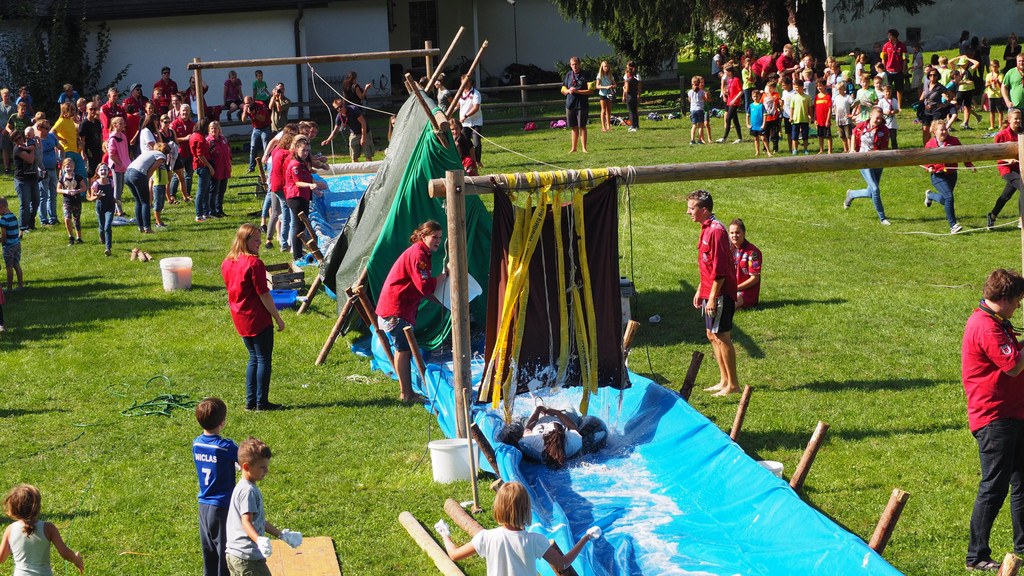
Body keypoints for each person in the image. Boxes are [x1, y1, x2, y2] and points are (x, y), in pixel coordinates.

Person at [962, 268, 1024, 572]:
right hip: (995, 418)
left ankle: (1022, 546)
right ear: (1005, 298)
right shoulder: (986, 326)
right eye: (1018, 300)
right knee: (994, 487)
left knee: (1021, 483)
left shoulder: (995, 321)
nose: (1019, 306)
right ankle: (976, 556)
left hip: (1014, 414)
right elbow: (1012, 366)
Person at [440, 481, 595, 575]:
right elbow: (563, 563)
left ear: (498, 508)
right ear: (527, 509)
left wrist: (444, 534)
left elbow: (454, 555)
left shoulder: (485, 537)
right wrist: (585, 538)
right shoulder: (536, 540)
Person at [375, 221, 450, 403]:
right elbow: (425, 287)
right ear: (423, 236)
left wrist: (444, 303)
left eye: (440, 237)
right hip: (396, 309)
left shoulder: (421, 253)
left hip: (398, 307)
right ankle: (407, 394)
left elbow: (422, 290)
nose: (438, 241)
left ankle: (407, 392)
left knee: (403, 349)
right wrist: (443, 275)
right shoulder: (418, 255)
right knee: (403, 350)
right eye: (435, 237)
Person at [222, 224, 286, 411]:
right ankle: (261, 403)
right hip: (257, 317)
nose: (259, 243)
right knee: (263, 359)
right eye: (255, 240)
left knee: (254, 358)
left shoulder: (227, 262)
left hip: (239, 316)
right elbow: (264, 294)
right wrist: (277, 318)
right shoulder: (254, 264)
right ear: (245, 241)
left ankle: (251, 402)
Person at [686, 189, 739, 397]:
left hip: (720, 292)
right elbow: (706, 265)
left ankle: (733, 384)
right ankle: (723, 380)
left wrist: (712, 297)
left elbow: (720, 270)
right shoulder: (705, 228)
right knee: (711, 335)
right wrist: (701, 289)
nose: (688, 212)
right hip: (709, 290)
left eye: (692, 208)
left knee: (722, 335)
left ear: (704, 210)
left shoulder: (716, 231)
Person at [224, 437, 301, 576]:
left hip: (237, 556)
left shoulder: (244, 486)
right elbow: (246, 522)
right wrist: (258, 540)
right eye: (262, 467)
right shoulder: (248, 491)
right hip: (247, 559)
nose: (267, 471)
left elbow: (258, 521)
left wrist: (282, 535)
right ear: (246, 467)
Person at [193, 397, 239, 576]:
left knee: (209, 553)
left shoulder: (196, 443)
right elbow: (243, 459)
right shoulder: (226, 447)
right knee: (224, 554)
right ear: (222, 422)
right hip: (221, 507)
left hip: (203, 506)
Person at [0, 484, 84, 574]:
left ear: (13, 509)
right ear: (39, 507)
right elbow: (65, 553)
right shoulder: (48, 528)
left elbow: (1, 558)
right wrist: (77, 560)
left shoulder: (10, 529)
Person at [844, 107, 891, 225]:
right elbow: (854, 133)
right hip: (863, 161)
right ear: (871, 115)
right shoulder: (862, 126)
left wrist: (874, 153)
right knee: (875, 189)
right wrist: (852, 149)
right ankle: (882, 218)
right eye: (877, 118)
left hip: (878, 162)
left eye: (881, 118)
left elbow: (884, 149)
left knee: (871, 192)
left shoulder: (884, 130)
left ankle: (851, 194)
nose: (879, 120)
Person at [923, 121, 971, 234]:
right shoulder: (930, 144)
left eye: (945, 129)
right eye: (941, 130)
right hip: (938, 176)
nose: (944, 132)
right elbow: (925, 159)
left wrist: (968, 164)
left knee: (947, 199)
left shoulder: (953, 141)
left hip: (952, 174)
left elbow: (963, 153)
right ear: (935, 132)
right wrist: (929, 167)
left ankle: (930, 195)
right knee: (949, 197)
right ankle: (953, 225)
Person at [988, 109, 1024, 230]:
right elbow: (995, 154)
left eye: (1019, 118)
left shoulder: (1022, 133)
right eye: (1015, 118)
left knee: (1006, 196)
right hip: (1007, 169)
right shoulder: (1001, 135)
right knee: (1023, 187)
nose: (1018, 121)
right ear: (1009, 120)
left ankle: (992, 216)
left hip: (1020, 169)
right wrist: (1008, 160)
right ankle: (1021, 219)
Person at [125, 141, 168, 234]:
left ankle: (140, 227)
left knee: (138, 201)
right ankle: (147, 228)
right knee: (145, 202)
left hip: (127, 173)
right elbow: (151, 170)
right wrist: (146, 180)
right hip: (138, 175)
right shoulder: (161, 156)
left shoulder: (149, 152)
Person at [728, 219, 761, 310]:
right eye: (732, 233)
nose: (734, 235)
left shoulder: (753, 252)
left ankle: (744, 305)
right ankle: (740, 308)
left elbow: (755, 279)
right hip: (730, 289)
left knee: (726, 308)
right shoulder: (728, 249)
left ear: (744, 233)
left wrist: (736, 288)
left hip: (746, 291)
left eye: (737, 232)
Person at [562, 56, 592, 153]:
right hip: (570, 104)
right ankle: (574, 148)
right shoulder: (568, 75)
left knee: (582, 126)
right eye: (572, 64)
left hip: (582, 104)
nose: (574, 66)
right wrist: (568, 91)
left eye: (576, 64)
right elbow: (563, 89)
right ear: (570, 65)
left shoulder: (586, 74)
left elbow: (591, 90)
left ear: (579, 64)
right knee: (574, 126)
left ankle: (584, 148)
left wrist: (577, 91)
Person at [920, 68, 956, 145]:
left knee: (935, 130)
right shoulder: (926, 84)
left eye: (934, 75)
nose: (932, 77)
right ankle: (926, 147)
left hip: (936, 110)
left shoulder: (940, 87)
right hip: (926, 110)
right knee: (925, 130)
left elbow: (951, 95)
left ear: (937, 76)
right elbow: (924, 93)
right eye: (930, 75)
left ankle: (937, 146)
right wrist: (920, 101)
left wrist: (946, 104)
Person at [11, 129, 37, 232]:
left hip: (33, 178)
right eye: (16, 140)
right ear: (14, 142)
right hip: (22, 180)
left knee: (36, 202)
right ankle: (23, 226)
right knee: (25, 204)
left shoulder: (27, 145)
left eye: (20, 137)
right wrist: (33, 148)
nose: (19, 140)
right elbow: (30, 160)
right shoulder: (18, 149)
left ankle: (31, 224)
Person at [36, 120, 60, 228]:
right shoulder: (36, 140)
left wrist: (61, 159)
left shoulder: (52, 136)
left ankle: (53, 218)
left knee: (53, 194)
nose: (48, 130)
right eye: (46, 128)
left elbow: (60, 148)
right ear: (39, 128)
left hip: (53, 169)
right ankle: (44, 220)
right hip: (42, 171)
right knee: (43, 196)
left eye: (49, 128)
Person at [56, 157, 85, 245]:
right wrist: (65, 191)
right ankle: (71, 236)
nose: (69, 168)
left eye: (71, 166)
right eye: (67, 167)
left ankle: (79, 237)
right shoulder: (62, 178)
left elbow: (84, 188)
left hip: (76, 201)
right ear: (63, 168)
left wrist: (77, 191)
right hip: (67, 201)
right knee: (67, 218)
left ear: (74, 167)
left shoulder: (78, 177)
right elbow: (58, 189)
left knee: (77, 219)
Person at [191, 118, 215, 222]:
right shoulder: (200, 138)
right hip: (202, 166)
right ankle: (199, 215)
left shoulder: (194, 136)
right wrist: (209, 166)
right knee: (201, 192)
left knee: (205, 190)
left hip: (198, 165)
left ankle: (206, 212)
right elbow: (200, 154)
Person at [89, 163, 115, 256]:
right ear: (97, 172)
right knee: (102, 227)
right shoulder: (96, 184)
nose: (103, 171)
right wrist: (97, 197)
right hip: (100, 207)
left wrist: (116, 201)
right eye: (101, 170)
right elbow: (91, 198)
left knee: (107, 227)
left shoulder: (111, 182)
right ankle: (102, 237)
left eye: (105, 170)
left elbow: (111, 195)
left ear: (108, 172)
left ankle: (108, 248)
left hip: (110, 206)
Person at [107, 116, 131, 217]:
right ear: (115, 125)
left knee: (121, 188)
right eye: (120, 123)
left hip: (124, 165)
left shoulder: (123, 136)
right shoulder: (113, 139)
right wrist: (120, 163)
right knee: (117, 188)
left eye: (123, 123)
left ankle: (117, 207)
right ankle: (118, 209)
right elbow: (111, 155)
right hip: (117, 165)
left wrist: (126, 163)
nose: (122, 125)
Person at [207, 120, 231, 219]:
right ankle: (212, 211)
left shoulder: (223, 139)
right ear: (209, 130)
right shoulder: (209, 141)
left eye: (215, 128)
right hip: (216, 169)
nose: (214, 130)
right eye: (212, 128)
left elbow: (228, 151)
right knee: (213, 190)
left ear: (219, 129)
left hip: (225, 168)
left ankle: (219, 210)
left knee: (222, 190)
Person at [242, 96, 271, 173]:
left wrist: (254, 113)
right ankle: (251, 168)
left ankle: (267, 166)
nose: (248, 105)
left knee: (266, 147)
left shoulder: (261, 105)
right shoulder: (246, 107)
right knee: (253, 147)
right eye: (246, 103)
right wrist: (245, 112)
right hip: (256, 128)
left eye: (249, 102)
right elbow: (243, 120)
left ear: (253, 100)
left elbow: (262, 119)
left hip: (265, 127)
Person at [457, 74, 483, 163]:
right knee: (465, 142)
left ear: (470, 82)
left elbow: (476, 108)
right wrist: (450, 112)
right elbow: (457, 105)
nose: (463, 85)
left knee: (476, 143)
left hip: (476, 122)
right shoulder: (460, 93)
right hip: (464, 123)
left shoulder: (476, 93)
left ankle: (478, 161)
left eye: (465, 83)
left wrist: (465, 116)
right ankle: (468, 160)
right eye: (462, 83)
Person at [717, 65, 743, 143]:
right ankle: (740, 138)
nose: (725, 74)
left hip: (734, 102)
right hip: (729, 101)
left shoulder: (736, 80)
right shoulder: (729, 80)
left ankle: (724, 138)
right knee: (735, 120)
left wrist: (735, 100)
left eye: (726, 72)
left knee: (728, 119)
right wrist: (727, 92)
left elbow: (741, 91)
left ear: (730, 72)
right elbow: (731, 90)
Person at [0, 197, 22, 290]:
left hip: (8, 246)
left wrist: (3, 243)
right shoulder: (13, 216)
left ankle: (9, 288)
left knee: (9, 267)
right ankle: (20, 285)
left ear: (1, 207)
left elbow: (4, 234)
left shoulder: (3, 219)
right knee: (16, 264)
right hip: (17, 243)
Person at [882, 29, 907, 104]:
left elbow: (905, 58)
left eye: (890, 35)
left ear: (894, 36)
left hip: (898, 71)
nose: (888, 37)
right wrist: (883, 69)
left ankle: (899, 105)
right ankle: (887, 103)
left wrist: (904, 69)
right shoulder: (886, 45)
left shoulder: (902, 46)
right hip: (888, 71)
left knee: (899, 89)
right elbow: (883, 58)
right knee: (887, 89)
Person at [79, 101, 103, 177]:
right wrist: (82, 152)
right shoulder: (84, 123)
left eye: (94, 109)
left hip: (98, 149)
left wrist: (102, 147)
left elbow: (100, 135)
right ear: (87, 110)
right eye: (91, 109)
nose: (93, 111)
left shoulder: (97, 122)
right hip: (89, 150)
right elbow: (82, 139)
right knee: (91, 170)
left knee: (98, 168)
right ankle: (89, 185)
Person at [788, 80, 811, 155]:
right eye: (795, 87)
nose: (796, 89)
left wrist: (811, 116)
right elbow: (792, 108)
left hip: (804, 119)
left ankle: (805, 149)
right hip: (795, 119)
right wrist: (791, 117)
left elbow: (810, 108)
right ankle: (795, 149)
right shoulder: (794, 97)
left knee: (805, 135)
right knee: (795, 135)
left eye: (797, 87)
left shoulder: (807, 97)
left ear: (802, 87)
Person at [833, 81, 855, 153]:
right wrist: (836, 113)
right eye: (838, 89)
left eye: (840, 89)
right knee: (842, 135)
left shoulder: (848, 97)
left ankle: (850, 149)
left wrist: (852, 114)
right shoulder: (836, 97)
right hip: (839, 119)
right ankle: (845, 149)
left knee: (848, 135)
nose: (839, 91)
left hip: (847, 119)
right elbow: (835, 105)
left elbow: (855, 105)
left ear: (844, 89)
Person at [747, 89, 770, 157]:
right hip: (754, 126)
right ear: (752, 97)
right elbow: (747, 115)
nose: (755, 98)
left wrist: (763, 124)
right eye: (754, 96)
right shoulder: (751, 106)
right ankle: (757, 151)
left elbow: (765, 115)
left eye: (757, 96)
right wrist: (747, 124)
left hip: (760, 125)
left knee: (763, 138)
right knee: (756, 138)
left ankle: (768, 151)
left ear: (759, 96)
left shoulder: (761, 105)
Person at [687, 76, 709, 145]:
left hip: (692, 109)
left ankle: (692, 140)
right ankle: (699, 140)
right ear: (699, 83)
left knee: (694, 125)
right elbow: (705, 99)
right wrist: (706, 95)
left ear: (692, 83)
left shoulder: (690, 92)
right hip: (700, 109)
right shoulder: (701, 92)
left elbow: (689, 100)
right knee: (700, 126)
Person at [595, 60, 616, 132]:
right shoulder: (600, 75)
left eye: (607, 66)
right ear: (602, 67)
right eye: (604, 66)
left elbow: (615, 84)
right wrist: (605, 87)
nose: (606, 68)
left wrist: (612, 86)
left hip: (609, 94)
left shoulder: (610, 75)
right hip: (603, 94)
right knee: (603, 110)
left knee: (608, 110)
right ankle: (603, 126)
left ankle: (608, 125)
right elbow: (597, 86)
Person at [814, 79, 833, 154]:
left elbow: (829, 109)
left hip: (825, 120)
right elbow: (815, 108)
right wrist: (815, 119)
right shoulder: (816, 97)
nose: (819, 88)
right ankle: (821, 149)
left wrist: (828, 120)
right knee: (820, 135)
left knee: (828, 135)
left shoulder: (828, 96)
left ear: (825, 86)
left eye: (821, 86)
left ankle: (829, 150)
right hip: (819, 120)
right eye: (818, 86)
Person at [622, 60, 642, 134]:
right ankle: (636, 125)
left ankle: (633, 126)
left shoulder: (628, 80)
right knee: (634, 111)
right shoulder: (635, 80)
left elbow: (626, 89)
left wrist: (623, 89)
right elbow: (638, 88)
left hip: (629, 96)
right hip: (634, 95)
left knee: (631, 112)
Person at [987, 59, 1006, 130]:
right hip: (991, 95)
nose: (994, 68)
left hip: (999, 95)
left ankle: (1000, 124)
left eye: (995, 67)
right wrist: (988, 84)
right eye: (993, 67)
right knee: (992, 111)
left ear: (998, 67)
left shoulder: (1001, 75)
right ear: (990, 67)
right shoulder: (989, 75)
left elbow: (1002, 85)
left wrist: (997, 81)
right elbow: (986, 83)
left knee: (999, 110)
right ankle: (992, 125)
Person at [878, 84, 899, 150]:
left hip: (893, 124)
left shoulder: (894, 100)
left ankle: (895, 150)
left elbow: (897, 110)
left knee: (893, 138)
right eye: (886, 92)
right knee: (884, 138)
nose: (888, 93)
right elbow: (878, 110)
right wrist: (884, 112)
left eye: (889, 91)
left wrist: (894, 112)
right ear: (883, 92)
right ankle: (884, 149)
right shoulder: (881, 101)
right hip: (885, 124)